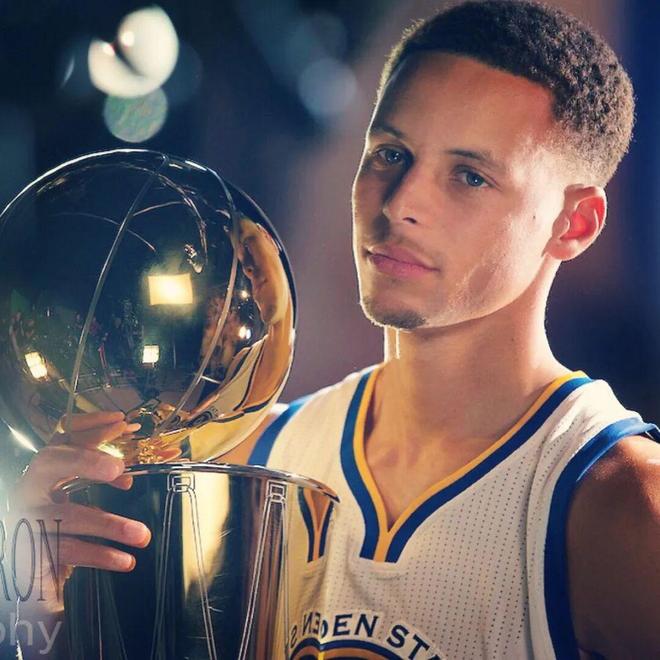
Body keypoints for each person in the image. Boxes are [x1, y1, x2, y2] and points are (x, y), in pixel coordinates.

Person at [11, 1, 660, 658]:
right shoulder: (243, 464)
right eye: (390, 153)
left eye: (470, 175)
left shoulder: (621, 507)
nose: (401, 202)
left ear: (575, 224)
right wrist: (37, 607)